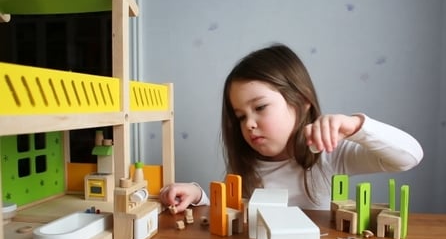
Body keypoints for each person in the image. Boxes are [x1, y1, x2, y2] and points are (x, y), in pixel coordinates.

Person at [159, 43, 423, 212]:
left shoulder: (330, 154)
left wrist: (356, 126)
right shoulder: (248, 164)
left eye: (260, 107)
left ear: (302, 102)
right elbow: (231, 209)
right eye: (240, 116)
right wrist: (197, 195)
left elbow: (409, 157)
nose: (249, 124)